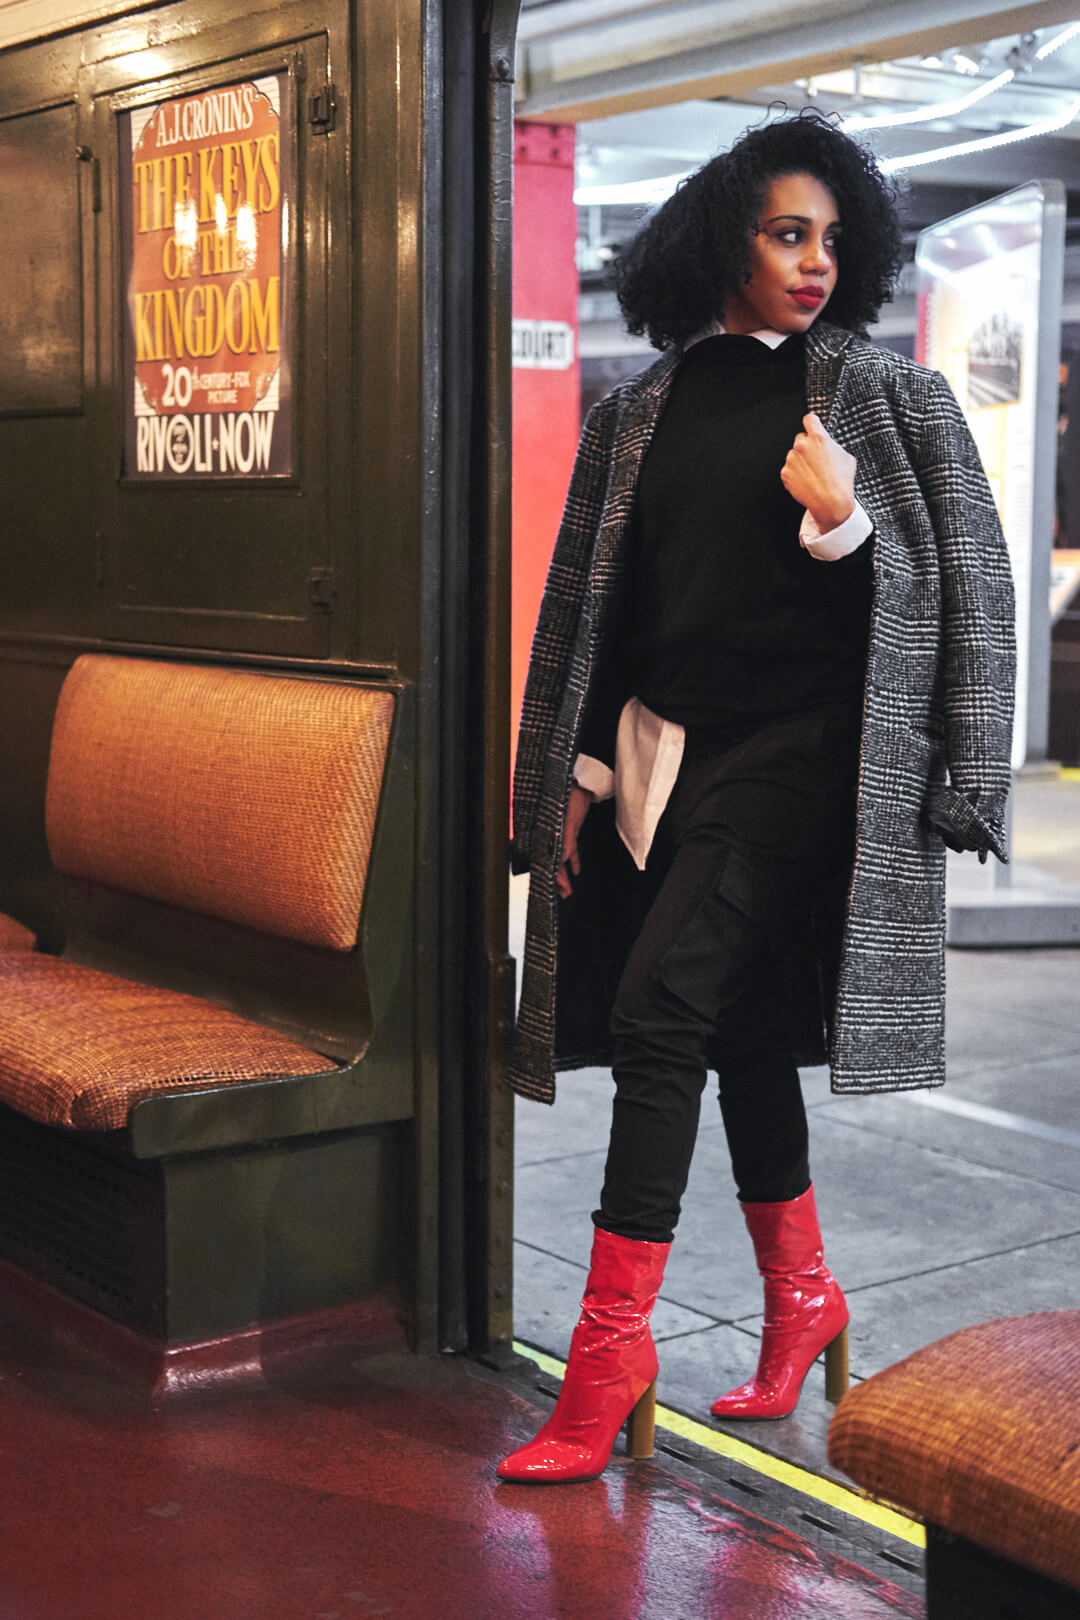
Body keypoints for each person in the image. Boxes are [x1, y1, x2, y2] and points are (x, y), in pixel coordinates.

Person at [500, 110, 1016, 1485]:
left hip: (808, 754)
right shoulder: (637, 415)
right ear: (721, 241)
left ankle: (611, 1353)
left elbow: (968, 583)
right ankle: (805, 1300)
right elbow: (589, 615)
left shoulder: (888, 399)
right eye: (788, 235)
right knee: (729, 1031)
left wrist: (846, 525)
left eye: (834, 239)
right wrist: (558, 770)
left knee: (662, 1004)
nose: (814, 263)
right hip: (667, 755)